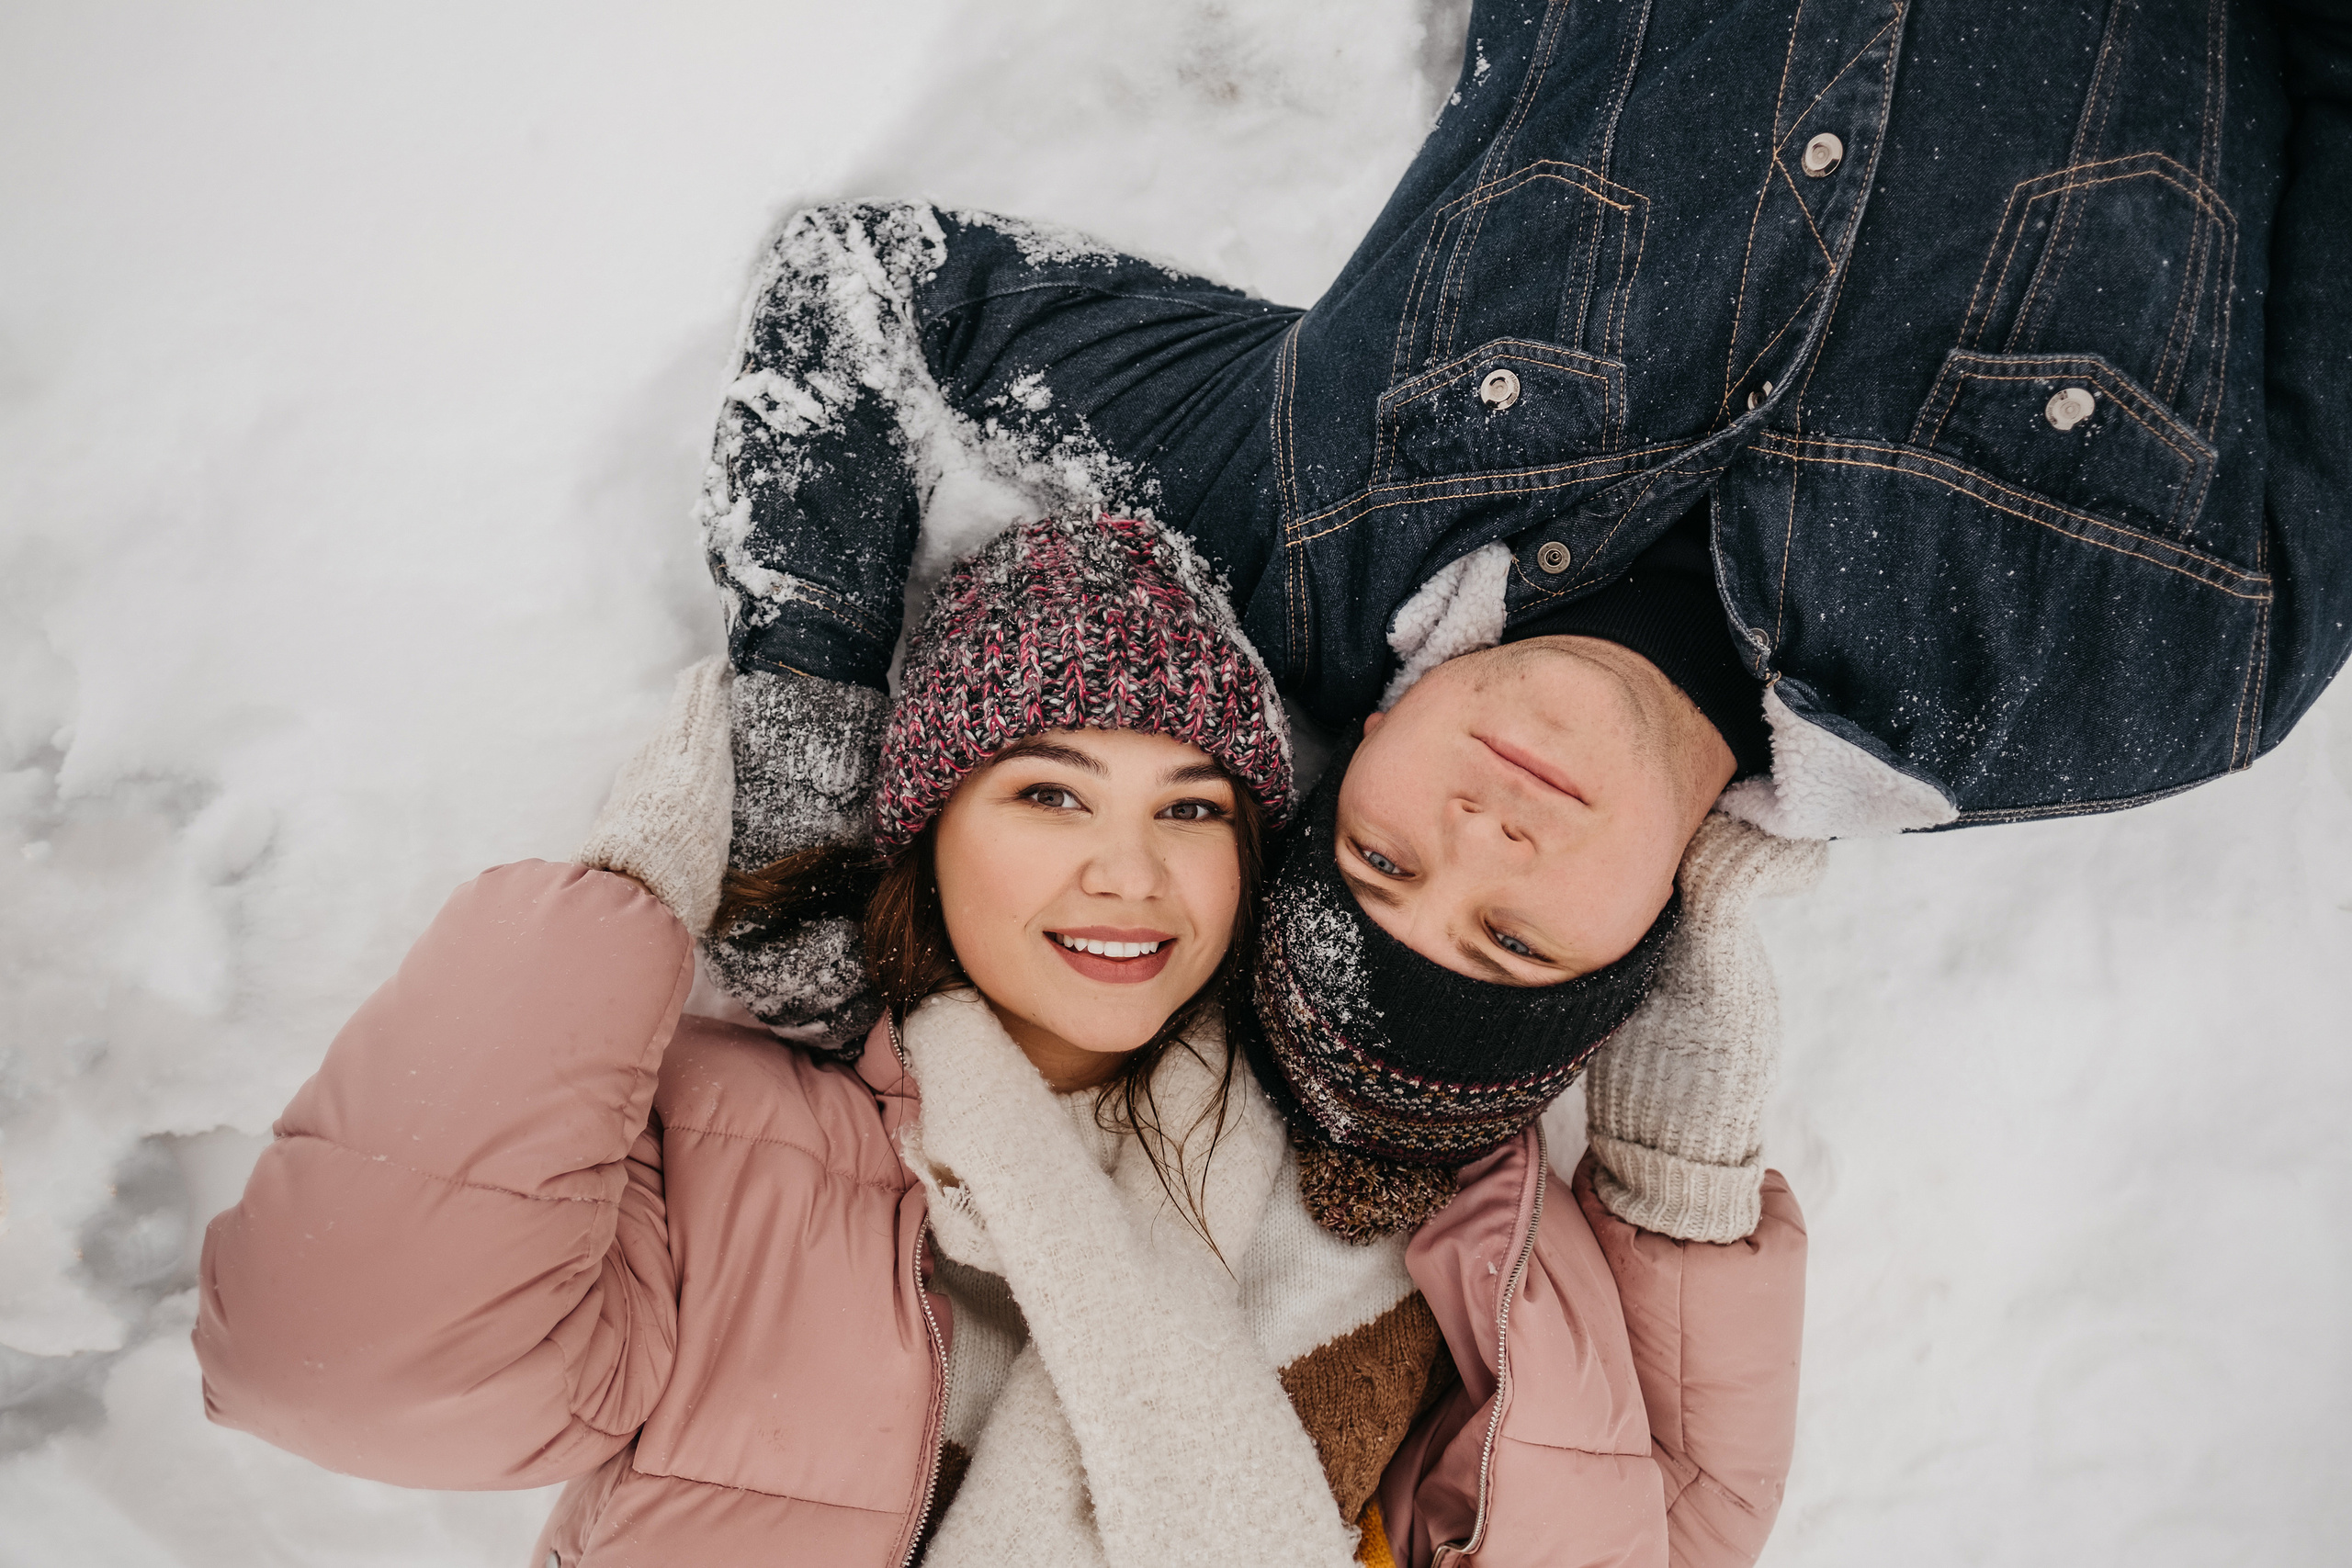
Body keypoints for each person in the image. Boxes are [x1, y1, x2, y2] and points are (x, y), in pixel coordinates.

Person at [689, 0, 2348, 1106]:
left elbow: (876, 286)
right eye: (1518, 934)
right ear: (1656, 928)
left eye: (1388, 866)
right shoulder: (2145, 683)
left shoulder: (1304, 509)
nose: (1480, 835)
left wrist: (806, 819)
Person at [193, 517, 1815, 1567]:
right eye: (1047, 793)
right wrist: (621, 903)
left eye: (1196, 808)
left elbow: (1631, 1515)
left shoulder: (1396, 1156)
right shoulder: (741, 1166)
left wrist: (1675, 1155)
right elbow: (345, 1361)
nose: (1131, 869)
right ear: (926, 834)